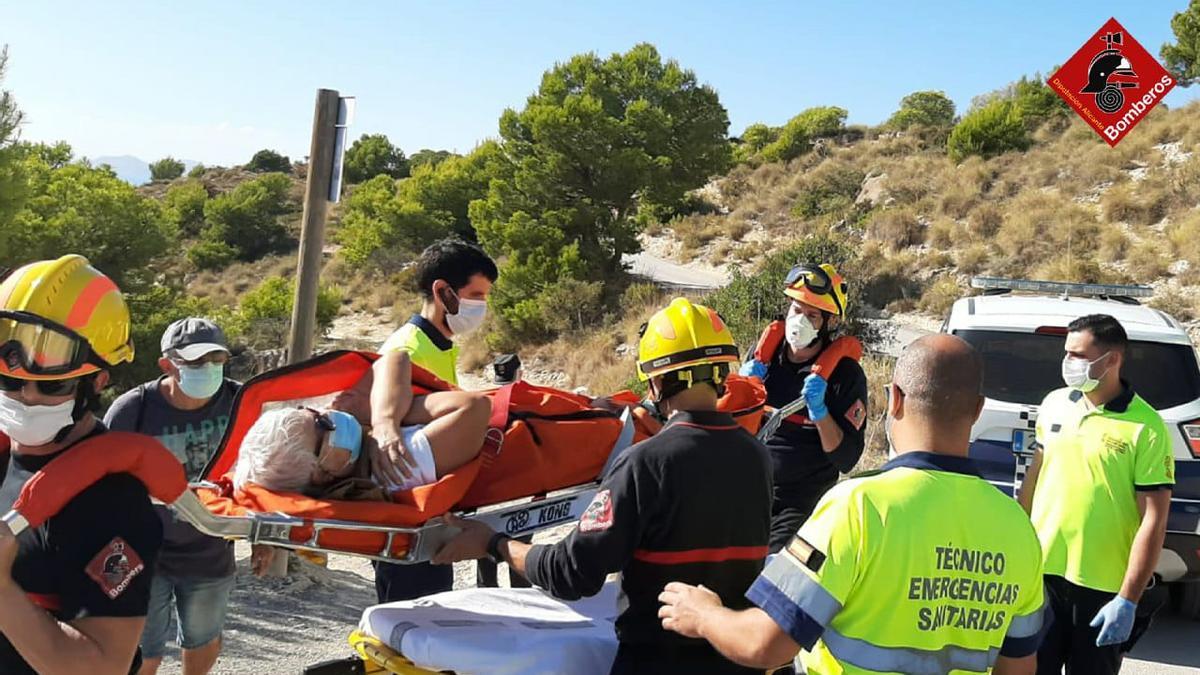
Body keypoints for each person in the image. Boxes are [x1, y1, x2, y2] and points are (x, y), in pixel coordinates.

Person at [660, 334, 1050, 675]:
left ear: (894, 399)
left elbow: (766, 644)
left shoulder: (859, 507)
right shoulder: (1018, 529)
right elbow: (1018, 667)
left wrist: (705, 615)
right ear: (978, 409)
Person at [433, 298, 773, 675]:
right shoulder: (757, 457)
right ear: (721, 373)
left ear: (656, 381)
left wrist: (492, 543)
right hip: (737, 663)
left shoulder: (647, 463)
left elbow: (572, 573)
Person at [0, 254, 164, 674]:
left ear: (98, 383)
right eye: (9, 380)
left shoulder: (111, 501)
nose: (26, 397)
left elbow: (102, 667)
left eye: (53, 385)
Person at [1018, 314, 1173, 675]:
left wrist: (1128, 599)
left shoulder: (1146, 427)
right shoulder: (1055, 403)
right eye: (1067, 354)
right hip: (1043, 577)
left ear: (1112, 359)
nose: (1068, 363)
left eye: (1079, 355)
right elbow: (1035, 476)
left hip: (1103, 588)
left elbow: (1154, 517)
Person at [104, 318, 240, 675]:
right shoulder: (133, 409)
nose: (208, 369)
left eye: (216, 359)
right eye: (196, 362)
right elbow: (101, 482)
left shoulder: (240, 402)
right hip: (142, 554)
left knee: (203, 639)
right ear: (168, 365)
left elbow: (258, 473)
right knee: (142, 652)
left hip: (210, 552)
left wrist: (266, 541)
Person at [373, 238, 498, 603]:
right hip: (406, 518)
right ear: (443, 292)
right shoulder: (407, 350)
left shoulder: (438, 347)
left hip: (431, 514)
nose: (482, 307)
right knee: (410, 618)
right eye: (476, 295)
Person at [739, 263, 868, 552]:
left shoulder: (845, 375)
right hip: (747, 488)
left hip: (800, 501)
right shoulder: (764, 358)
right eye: (797, 311)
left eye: (812, 315)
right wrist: (739, 389)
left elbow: (846, 459)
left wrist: (820, 413)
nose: (801, 321)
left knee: (768, 566)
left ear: (829, 323)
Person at [232, 351, 490, 496]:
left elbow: (393, 358)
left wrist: (382, 421)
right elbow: (475, 407)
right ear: (321, 474)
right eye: (322, 425)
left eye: (312, 412)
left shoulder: (359, 443)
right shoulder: (396, 465)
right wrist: (386, 416)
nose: (327, 412)